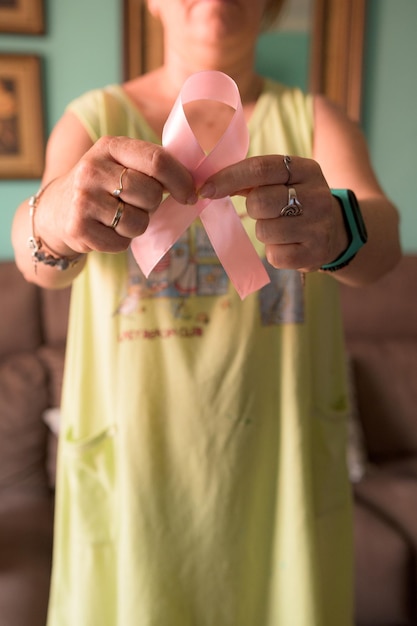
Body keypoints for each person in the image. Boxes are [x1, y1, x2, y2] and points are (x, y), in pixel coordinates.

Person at [12, 0, 401, 624]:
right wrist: (54, 218)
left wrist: (343, 226)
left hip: (279, 460)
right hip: (134, 460)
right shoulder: (92, 119)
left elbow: (380, 243)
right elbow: (39, 262)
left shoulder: (314, 120)